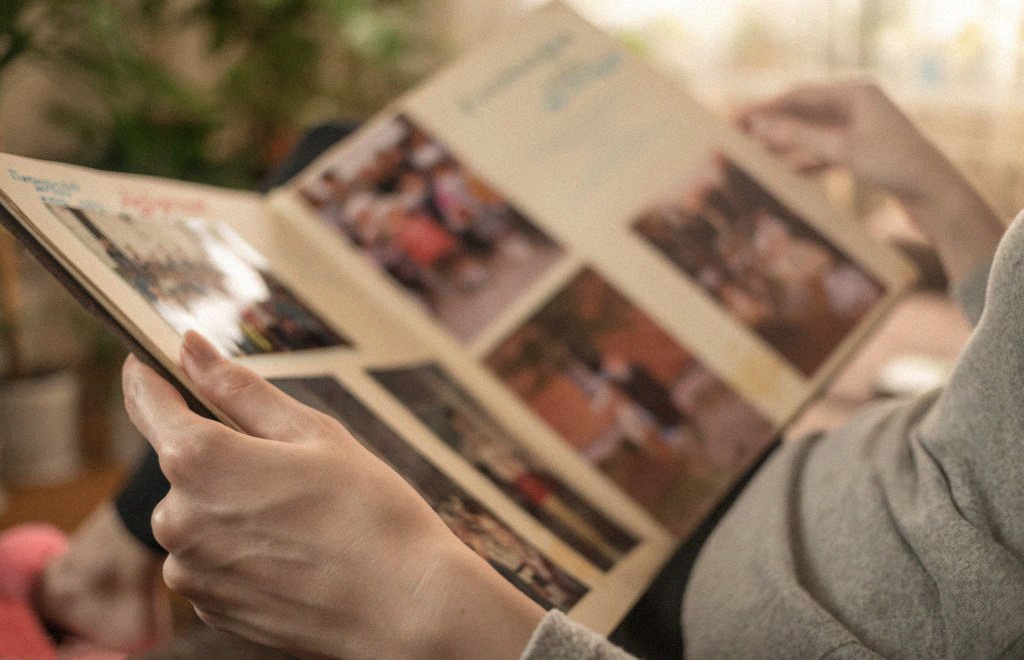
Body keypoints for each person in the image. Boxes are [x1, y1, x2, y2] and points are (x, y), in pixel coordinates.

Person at [12, 78, 1021, 657]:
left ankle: (103, 565)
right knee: (337, 160)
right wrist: (937, 192)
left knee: (358, 278)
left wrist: (435, 609)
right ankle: (108, 560)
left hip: (672, 598)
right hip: (762, 481)